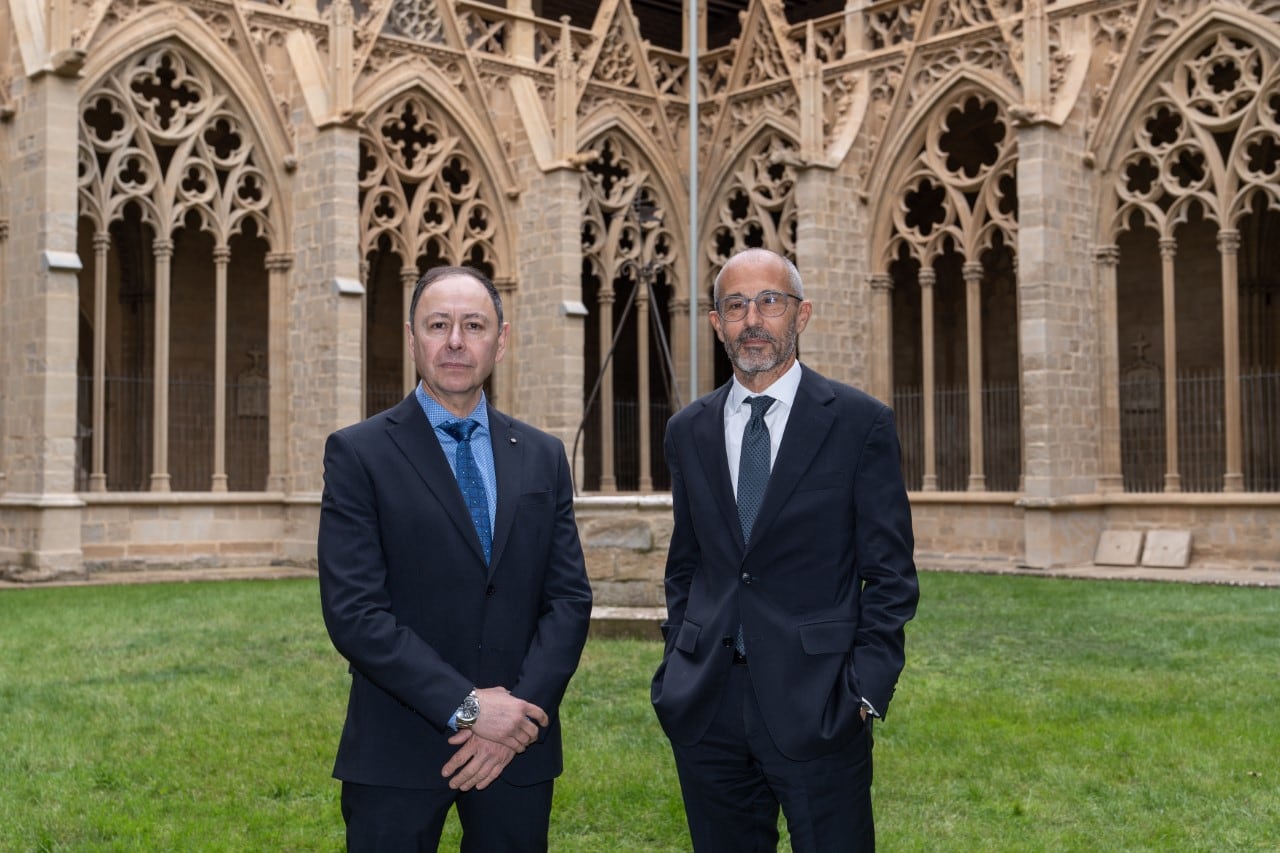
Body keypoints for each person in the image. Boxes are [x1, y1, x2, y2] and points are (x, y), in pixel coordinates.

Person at [651, 248, 919, 851]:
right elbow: (687, 564)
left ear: (802, 315)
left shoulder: (858, 423)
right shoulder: (688, 430)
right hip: (708, 703)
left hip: (821, 703)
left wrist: (865, 689)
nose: (753, 319)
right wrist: (677, 661)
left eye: (770, 301)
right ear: (716, 322)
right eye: (736, 305)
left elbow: (892, 575)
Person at [318, 265, 593, 851]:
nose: (455, 341)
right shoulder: (359, 454)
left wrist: (518, 719)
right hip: (399, 744)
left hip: (518, 746)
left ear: (502, 337)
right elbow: (355, 613)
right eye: (437, 324)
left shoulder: (542, 455)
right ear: (413, 337)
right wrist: (469, 709)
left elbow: (568, 600)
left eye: (474, 325)